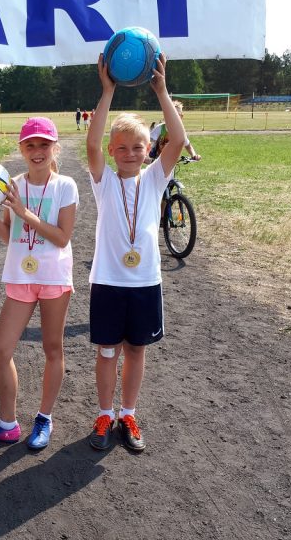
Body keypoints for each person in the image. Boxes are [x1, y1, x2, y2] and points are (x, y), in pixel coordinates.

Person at [86, 52, 186, 452]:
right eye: (122, 147)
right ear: (113, 152)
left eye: (137, 147)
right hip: (108, 281)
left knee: (136, 351)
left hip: (145, 282)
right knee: (107, 352)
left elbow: (177, 140)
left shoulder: (156, 178)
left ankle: (128, 411)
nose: (130, 153)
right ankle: (105, 413)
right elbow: (91, 141)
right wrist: (107, 91)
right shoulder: (103, 181)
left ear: (149, 150)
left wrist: (162, 90)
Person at [0, 117, 78, 450]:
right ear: (21, 149)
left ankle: (44, 418)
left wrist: (26, 214)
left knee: (52, 348)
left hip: (53, 278)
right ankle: (8, 425)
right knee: (0, 350)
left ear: (54, 148)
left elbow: (62, 237)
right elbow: (10, 237)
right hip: (20, 277)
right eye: (30, 145)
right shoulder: (10, 184)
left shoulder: (65, 186)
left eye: (44, 145)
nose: (37, 151)